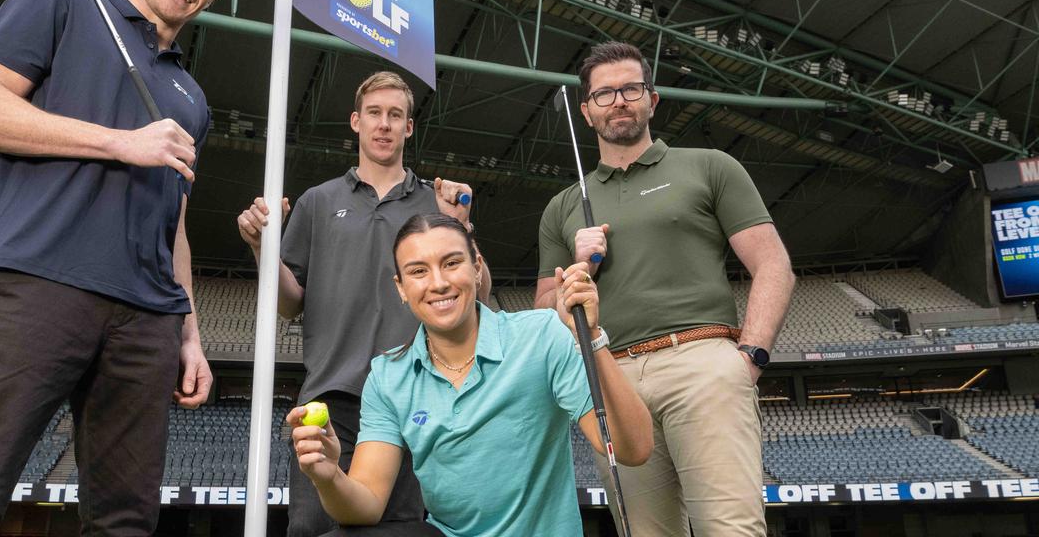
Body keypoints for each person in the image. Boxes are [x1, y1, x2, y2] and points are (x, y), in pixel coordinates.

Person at [0, 0, 247, 536]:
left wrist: (190, 331)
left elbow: (174, 224)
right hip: (38, 285)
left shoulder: (191, 97)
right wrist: (120, 141)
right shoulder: (63, 0)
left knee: (125, 522)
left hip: (148, 316)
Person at [535, 40, 795, 537]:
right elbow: (547, 308)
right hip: (611, 375)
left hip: (702, 362)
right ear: (587, 111)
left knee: (731, 530)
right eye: (604, 94)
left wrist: (750, 357)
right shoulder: (564, 205)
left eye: (631, 89)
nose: (619, 102)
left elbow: (774, 264)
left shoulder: (710, 166)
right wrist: (576, 266)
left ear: (652, 99)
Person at [288, 213, 652, 537]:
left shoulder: (541, 335)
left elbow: (633, 449)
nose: (438, 283)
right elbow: (366, 506)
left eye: (451, 263)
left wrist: (590, 338)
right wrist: (330, 475)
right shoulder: (388, 376)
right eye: (418, 271)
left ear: (477, 268)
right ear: (400, 288)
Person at [237, 71, 488, 537]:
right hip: (330, 397)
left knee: (403, 529)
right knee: (312, 527)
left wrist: (462, 226)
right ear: (356, 121)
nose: (384, 124)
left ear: (409, 127)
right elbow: (289, 305)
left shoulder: (433, 205)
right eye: (374, 113)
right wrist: (261, 250)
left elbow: (478, 296)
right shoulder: (317, 202)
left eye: (396, 115)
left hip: (415, 395)